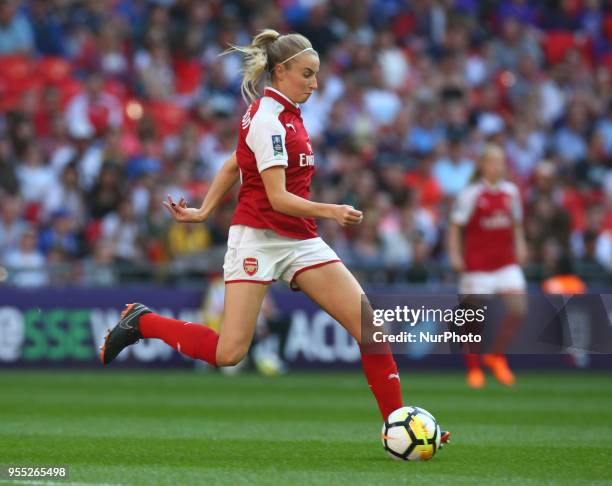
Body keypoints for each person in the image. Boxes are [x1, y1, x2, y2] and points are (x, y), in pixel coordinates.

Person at [99, 30, 449, 442]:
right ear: (280, 71)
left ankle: (397, 425)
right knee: (229, 353)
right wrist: (331, 210)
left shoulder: (282, 113)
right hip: (258, 239)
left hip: (299, 240)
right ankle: (145, 322)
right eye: (307, 74)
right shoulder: (268, 120)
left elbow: (235, 161)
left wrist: (205, 209)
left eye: (316, 75)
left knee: (369, 328)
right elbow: (278, 198)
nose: (314, 84)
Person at [448, 144, 527, 389]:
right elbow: (455, 226)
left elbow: (516, 223)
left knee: (518, 309)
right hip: (477, 265)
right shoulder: (471, 193)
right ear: (482, 165)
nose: (497, 166)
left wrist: (521, 245)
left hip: (505, 262)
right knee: (472, 317)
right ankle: (474, 368)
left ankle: (495, 355)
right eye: (492, 161)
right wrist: (455, 255)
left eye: (500, 161)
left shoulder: (511, 192)